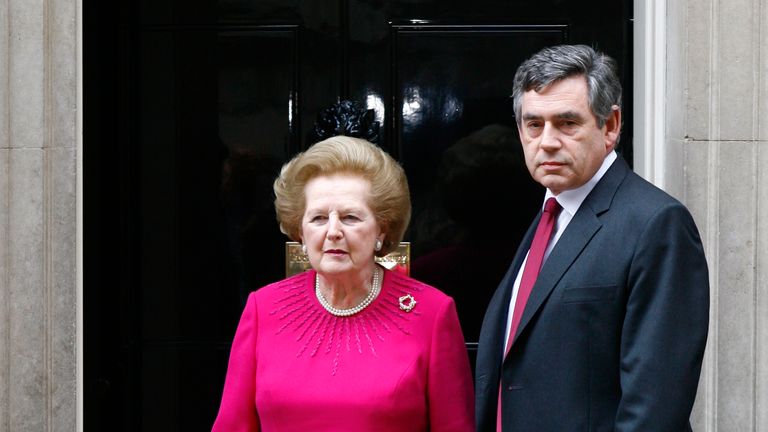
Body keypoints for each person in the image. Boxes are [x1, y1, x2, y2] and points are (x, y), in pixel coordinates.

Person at [475, 44, 709, 431]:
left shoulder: (657, 225)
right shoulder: (549, 213)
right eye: (534, 124)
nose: (547, 140)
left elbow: (654, 408)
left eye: (567, 123)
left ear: (611, 126)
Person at [213, 135, 475, 431]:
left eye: (350, 217)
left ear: (382, 228)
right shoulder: (263, 308)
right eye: (319, 218)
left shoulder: (432, 312)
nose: (333, 231)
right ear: (300, 230)